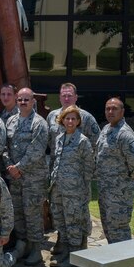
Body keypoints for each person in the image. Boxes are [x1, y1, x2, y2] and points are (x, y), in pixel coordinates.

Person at [46, 83, 100, 253]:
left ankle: (78, 246)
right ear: (60, 96)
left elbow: (96, 143)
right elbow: (51, 144)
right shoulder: (52, 116)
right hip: (58, 176)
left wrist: (83, 176)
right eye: (63, 95)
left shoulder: (86, 118)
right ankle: (63, 242)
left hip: (76, 179)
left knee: (77, 214)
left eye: (70, 95)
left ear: (76, 97)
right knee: (59, 212)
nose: (66, 98)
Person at [3, 87, 49, 266]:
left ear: (33, 102)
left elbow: (36, 150)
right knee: (18, 212)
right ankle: (22, 245)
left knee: (33, 213)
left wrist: (19, 167)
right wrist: (9, 165)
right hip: (15, 177)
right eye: (20, 99)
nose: (23, 102)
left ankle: (36, 249)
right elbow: (4, 145)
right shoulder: (11, 121)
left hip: (33, 178)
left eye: (26, 100)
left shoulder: (39, 123)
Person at [96, 98, 134, 267]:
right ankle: (115, 262)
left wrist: (126, 180)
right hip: (105, 189)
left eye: (114, 108)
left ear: (122, 111)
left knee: (119, 227)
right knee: (108, 225)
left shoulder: (125, 134)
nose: (110, 112)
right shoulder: (107, 129)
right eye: (107, 108)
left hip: (119, 191)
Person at [48, 106, 94, 267]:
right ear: (62, 120)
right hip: (58, 190)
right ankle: (65, 253)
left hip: (74, 192)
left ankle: (75, 257)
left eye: (74, 118)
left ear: (78, 121)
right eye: (67, 118)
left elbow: (89, 168)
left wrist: (82, 190)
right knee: (62, 222)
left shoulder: (82, 141)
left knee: (74, 223)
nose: (70, 121)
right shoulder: (59, 138)